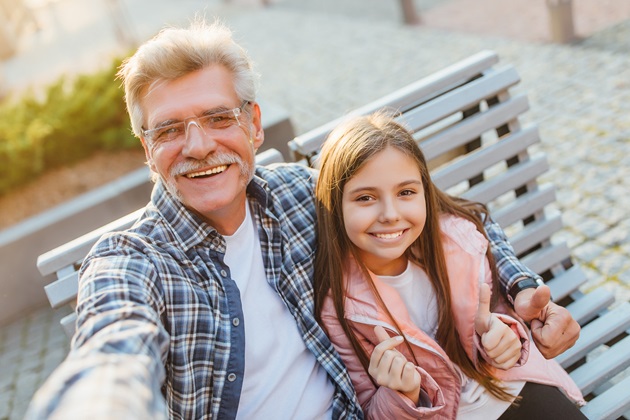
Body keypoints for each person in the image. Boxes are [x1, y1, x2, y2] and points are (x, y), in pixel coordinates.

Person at [26, 19, 578, 419]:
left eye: (218, 118)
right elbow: (114, 343)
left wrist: (519, 284)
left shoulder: (297, 195)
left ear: (254, 126)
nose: (198, 145)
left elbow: (454, 216)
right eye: (169, 129)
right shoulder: (131, 262)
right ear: (148, 150)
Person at [313, 112, 586, 419]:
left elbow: (501, 322)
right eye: (365, 198)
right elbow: (370, 408)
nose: (390, 214)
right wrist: (401, 394)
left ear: (425, 191)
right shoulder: (340, 306)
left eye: (405, 192)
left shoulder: (459, 240)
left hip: (515, 390)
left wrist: (505, 340)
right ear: (334, 205)